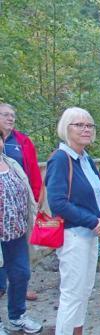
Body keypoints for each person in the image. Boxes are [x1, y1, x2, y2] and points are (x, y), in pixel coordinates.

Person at [46, 107, 100, 335]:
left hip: (90, 232)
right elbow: (58, 202)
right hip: (73, 235)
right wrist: (92, 220)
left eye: (89, 125)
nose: (85, 129)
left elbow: (99, 194)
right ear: (66, 128)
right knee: (72, 292)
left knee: (85, 288)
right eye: (79, 125)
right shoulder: (61, 159)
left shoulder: (86, 159)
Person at [0, 132, 42, 335]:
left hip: (16, 232)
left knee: (21, 274)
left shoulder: (12, 164)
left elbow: (26, 192)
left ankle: (17, 316)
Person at [0, 103, 42, 301]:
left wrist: (35, 199)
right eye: (6, 115)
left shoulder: (22, 141)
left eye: (13, 115)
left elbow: (33, 172)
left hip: (18, 213)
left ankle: (19, 291)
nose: (11, 118)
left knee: (20, 259)